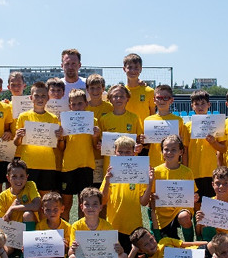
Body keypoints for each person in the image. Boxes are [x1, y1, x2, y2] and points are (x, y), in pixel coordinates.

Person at [142, 134, 197, 242]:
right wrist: (152, 197)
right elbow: (148, 199)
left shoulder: (187, 172)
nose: (169, 152)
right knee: (167, 243)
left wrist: (194, 197)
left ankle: (190, 244)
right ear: (161, 152)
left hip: (181, 208)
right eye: (166, 149)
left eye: (173, 150)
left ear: (181, 152)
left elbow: (192, 193)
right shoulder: (156, 171)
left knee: (184, 217)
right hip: (162, 212)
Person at [13, 81, 64, 195]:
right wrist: (18, 136)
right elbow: (16, 143)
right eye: (36, 96)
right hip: (28, 164)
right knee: (28, 198)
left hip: (48, 164)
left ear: (48, 98)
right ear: (31, 97)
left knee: (45, 200)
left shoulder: (54, 118)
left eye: (43, 96)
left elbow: (58, 146)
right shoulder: (23, 116)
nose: (40, 99)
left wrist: (59, 138)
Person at [100, 136, 147, 252]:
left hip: (134, 227)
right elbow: (103, 201)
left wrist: (150, 182)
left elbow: (144, 202)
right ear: (115, 153)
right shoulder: (110, 174)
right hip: (114, 226)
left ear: (133, 153)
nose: (124, 155)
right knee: (116, 257)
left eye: (127, 152)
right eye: (120, 152)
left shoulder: (140, 173)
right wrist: (107, 181)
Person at [17, 191, 72, 258]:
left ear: (62, 209)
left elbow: (68, 249)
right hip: (41, 255)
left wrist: (65, 246)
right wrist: (28, 247)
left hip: (57, 255)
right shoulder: (40, 225)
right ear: (43, 210)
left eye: (55, 209)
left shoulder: (67, 227)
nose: (52, 212)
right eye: (48, 210)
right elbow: (35, 242)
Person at [61, 88, 100, 219]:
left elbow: (95, 146)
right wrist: (60, 137)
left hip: (86, 165)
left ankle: (81, 232)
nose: (77, 107)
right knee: (65, 204)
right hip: (68, 166)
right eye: (73, 104)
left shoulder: (93, 120)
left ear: (86, 104)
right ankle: (66, 232)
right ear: (69, 105)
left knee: (83, 204)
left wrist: (96, 136)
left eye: (80, 103)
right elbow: (62, 147)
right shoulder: (65, 121)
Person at [68, 187, 121, 258]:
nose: (91, 207)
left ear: (101, 207)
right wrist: (73, 248)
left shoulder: (107, 225)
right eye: (87, 204)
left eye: (95, 204)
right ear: (81, 207)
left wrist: (118, 248)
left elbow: (120, 251)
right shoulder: (76, 226)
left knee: (124, 257)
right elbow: (70, 253)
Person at [195, 166, 228, 244]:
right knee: (207, 227)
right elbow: (199, 233)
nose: (221, 186)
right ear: (212, 184)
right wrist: (198, 223)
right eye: (218, 183)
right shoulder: (208, 204)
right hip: (213, 243)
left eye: (226, 183)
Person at [97, 84, 144, 173]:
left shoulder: (134, 118)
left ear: (127, 99)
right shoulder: (104, 119)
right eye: (115, 96)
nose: (118, 99)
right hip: (110, 163)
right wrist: (100, 145)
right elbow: (99, 141)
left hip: (130, 164)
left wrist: (139, 146)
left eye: (122, 96)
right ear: (109, 99)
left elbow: (139, 140)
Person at [185, 89, 223, 198]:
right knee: (195, 203)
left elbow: (223, 149)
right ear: (192, 106)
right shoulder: (187, 126)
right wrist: (185, 169)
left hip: (211, 172)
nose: (200, 107)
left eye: (203, 103)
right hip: (193, 171)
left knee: (210, 203)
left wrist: (213, 142)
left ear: (209, 105)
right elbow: (185, 151)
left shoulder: (216, 124)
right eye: (196, 104)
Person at [143, 84, 188, 169]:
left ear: (171, 100)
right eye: (159, 98)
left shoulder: (178, 121)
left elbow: (184, 147)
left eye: (166, 98)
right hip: (154, 163)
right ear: (154, 100)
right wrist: (143, 141)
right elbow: (147, 146)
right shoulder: (148, 120)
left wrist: (184, 167)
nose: (162, 101)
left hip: (173, 165)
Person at [0, 158, 42, 229]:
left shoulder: (30, 185)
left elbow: (37, 205)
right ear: (8, 178)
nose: (18, 180)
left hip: (29, 230)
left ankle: (29, 239)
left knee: (28, 214)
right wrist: (9, 211)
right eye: (14, 176)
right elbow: (2, 221)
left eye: (22, 176)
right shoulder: (3, 196)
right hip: (12, 232)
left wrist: (13, 208)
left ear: (27, 177)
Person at [122, 53, 155, 123]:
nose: (133, 70)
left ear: (141, 69)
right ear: (124, 69)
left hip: (143, 133)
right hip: (126, 132)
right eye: (130, 67)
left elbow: (152, 115)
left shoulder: (149, 91)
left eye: (136, 67)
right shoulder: (120, 92)